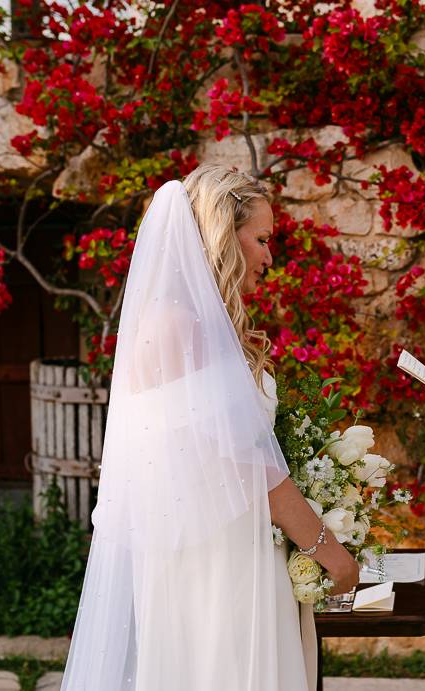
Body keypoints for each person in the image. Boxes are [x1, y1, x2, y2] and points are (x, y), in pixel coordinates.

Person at [60, 164, 360, 691]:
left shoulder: (190, 324)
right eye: (262, 239)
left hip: (221, 551)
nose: (270, 257)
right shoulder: (181, 327)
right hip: (220, 565)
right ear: (225, 236)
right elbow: (249, 464)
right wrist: (329, 550)